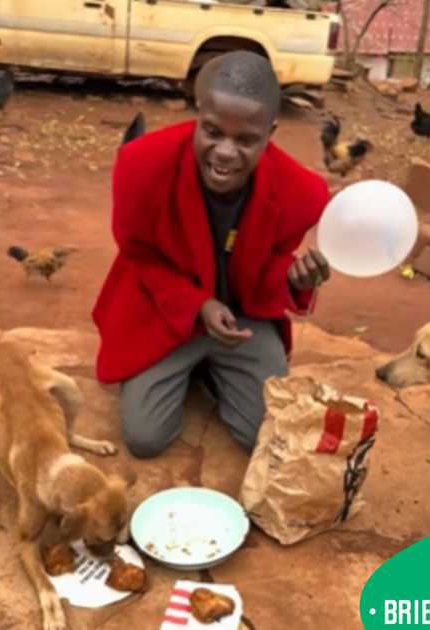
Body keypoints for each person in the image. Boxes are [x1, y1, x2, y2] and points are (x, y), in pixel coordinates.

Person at [91, 51, 330, 458]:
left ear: (269, 133)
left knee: (264, 435)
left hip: (243, 317)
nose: (224, 152)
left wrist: (294, 278)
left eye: (246, 140)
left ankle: (212, 370)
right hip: (165, 311)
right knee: (145, 438)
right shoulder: (141, 166)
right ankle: (195, 367)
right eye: (213, 131)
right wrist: (197, 304)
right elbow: (138, 253)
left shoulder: (300, 193)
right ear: (198, 114)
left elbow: (269, 265)